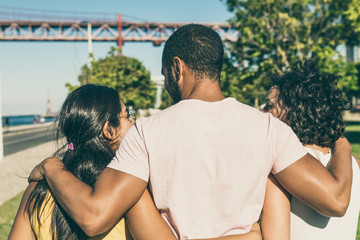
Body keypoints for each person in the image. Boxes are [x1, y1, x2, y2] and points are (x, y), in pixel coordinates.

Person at [29, 24, 352, 239]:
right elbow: (335, 200)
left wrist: (52, 166)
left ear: (177, 68)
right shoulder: (269, 128)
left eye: (165, 74)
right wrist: (343, 143)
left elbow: (94, 216)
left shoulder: (147, 133)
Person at [9, 84, 261, 240]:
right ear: (109, 130)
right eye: (128, 114)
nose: (135, 121)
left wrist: (52, 165)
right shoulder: (127, 190)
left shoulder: (37, 190)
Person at [260, 61, 360, 240]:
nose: (262, 112)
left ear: (295, 111)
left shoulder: (279, 169)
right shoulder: (354, 164)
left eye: (269, 106)